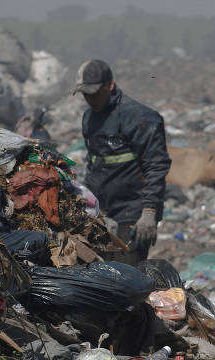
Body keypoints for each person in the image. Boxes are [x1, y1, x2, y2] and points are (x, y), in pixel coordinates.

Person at [74, 59, 170, 264]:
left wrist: (149, 212)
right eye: (86, 94)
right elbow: (94, 163)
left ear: (110, 85)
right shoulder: (89, 118)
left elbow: (156, 167)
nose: (91, 99)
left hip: (133, 212)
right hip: (102, 212)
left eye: (95, 93)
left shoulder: (139, 118)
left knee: (125, 276)